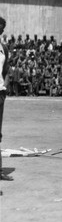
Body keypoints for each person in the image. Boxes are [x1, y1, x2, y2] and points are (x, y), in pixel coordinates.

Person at [0, 16, 13, 182]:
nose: (2, 30)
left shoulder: (3, 48)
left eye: (3, 28)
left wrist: (5, 87)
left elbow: (6, 70)